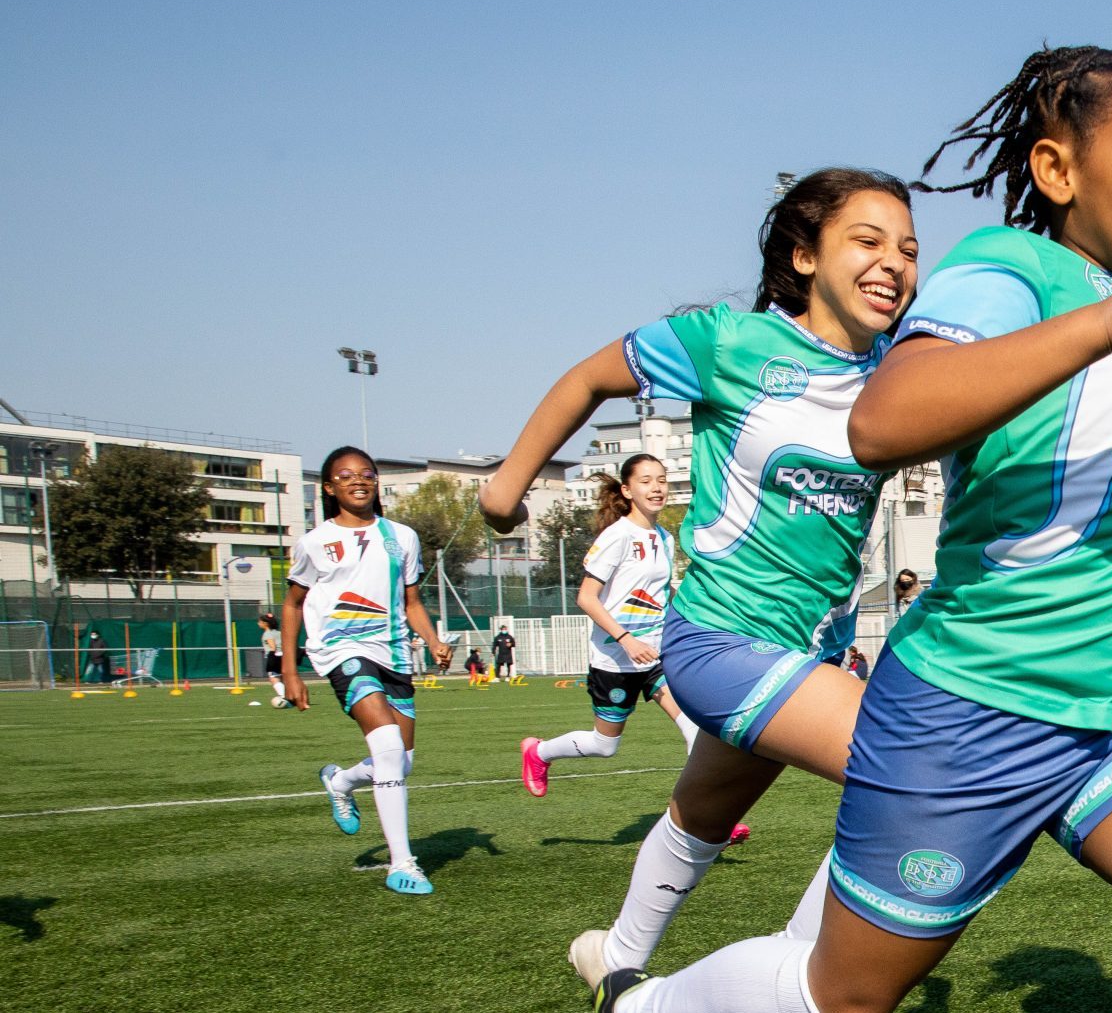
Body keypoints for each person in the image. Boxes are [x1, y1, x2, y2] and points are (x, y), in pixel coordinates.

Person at [599, 46, 1112, 1013]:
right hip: (978, 707)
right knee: (838, 996)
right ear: (1057, 171)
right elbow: (884, 422)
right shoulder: (1011, 269)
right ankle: (644, 1004)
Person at [482, 167, 914, 988]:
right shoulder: (731, 342)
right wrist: (508, 486)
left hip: (812, 651)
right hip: (722, 641)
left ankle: (614, 956)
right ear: (804, 255)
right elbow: (587, 378)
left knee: (702, 814)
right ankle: (791, 978)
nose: (893, 262)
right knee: (911, 765)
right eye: (867, 240)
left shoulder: (901, 369)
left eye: (908, 248)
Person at [277, 445, 453, 895]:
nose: (359, 481)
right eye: (347, 475)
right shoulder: (314, 542)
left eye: (367, 474)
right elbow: (293, 604)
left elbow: (412, 601)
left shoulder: (403, 537)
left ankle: (340, 781)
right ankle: (404, 864)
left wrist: (432, 640)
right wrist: (291, 670)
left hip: (394, 654)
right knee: (390, 748)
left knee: (401, 761)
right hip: (341, 651)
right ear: (330, 487)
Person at [520, 454, 712, 802]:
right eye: (646, 481)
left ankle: (708, 820)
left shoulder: (665, 538)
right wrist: (626, 639)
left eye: (662, 480)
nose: (656, 488)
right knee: (605, 744)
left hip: (656, 657)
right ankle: (539, 752)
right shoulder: (617, 536)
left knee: (695, 729)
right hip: (615, 659)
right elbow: (587, 598)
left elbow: (662, 591)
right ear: (626, 490)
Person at [259, 613, 286, 701]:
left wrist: (272, 659)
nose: (258, 623)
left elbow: (273, 647)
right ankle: (288, 696)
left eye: (260, 621)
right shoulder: (279, 632)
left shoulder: (267, 634)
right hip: (284, 655)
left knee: (274, 678)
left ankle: (283, 697)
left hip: (274, 656)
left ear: (265, 623)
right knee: (281, 678)